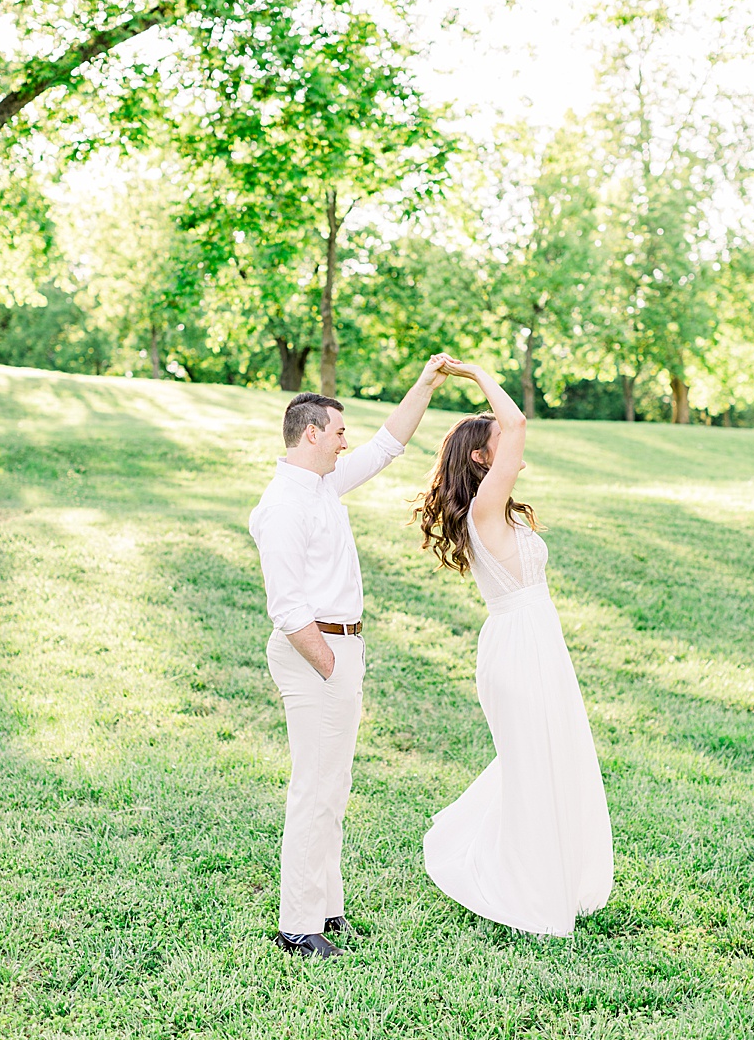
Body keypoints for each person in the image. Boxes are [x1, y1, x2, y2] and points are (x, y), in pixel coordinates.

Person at [248, 358, 452, 958]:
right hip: (316, 654)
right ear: (312, 433)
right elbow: (287, 609)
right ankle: (297, 926)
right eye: (338, 432)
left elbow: (388, 446)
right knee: (314, 790)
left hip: (340, 649)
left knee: (333, 787)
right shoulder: (284, 506)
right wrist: (332, 666)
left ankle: (325, 910)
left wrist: (425, 384)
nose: (345, 442)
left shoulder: (321, 486)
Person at [414, 362, 613, 935]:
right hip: (519, 646)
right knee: (533, 766)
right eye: (497, 440)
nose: (512, 439)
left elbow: (514, 428)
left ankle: (553, 880)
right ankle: (526, 890)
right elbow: (518, 421)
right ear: (483, 458)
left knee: (549, 759)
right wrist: (476, 373)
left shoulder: (493, 510)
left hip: (533, 640)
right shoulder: (483, 508)